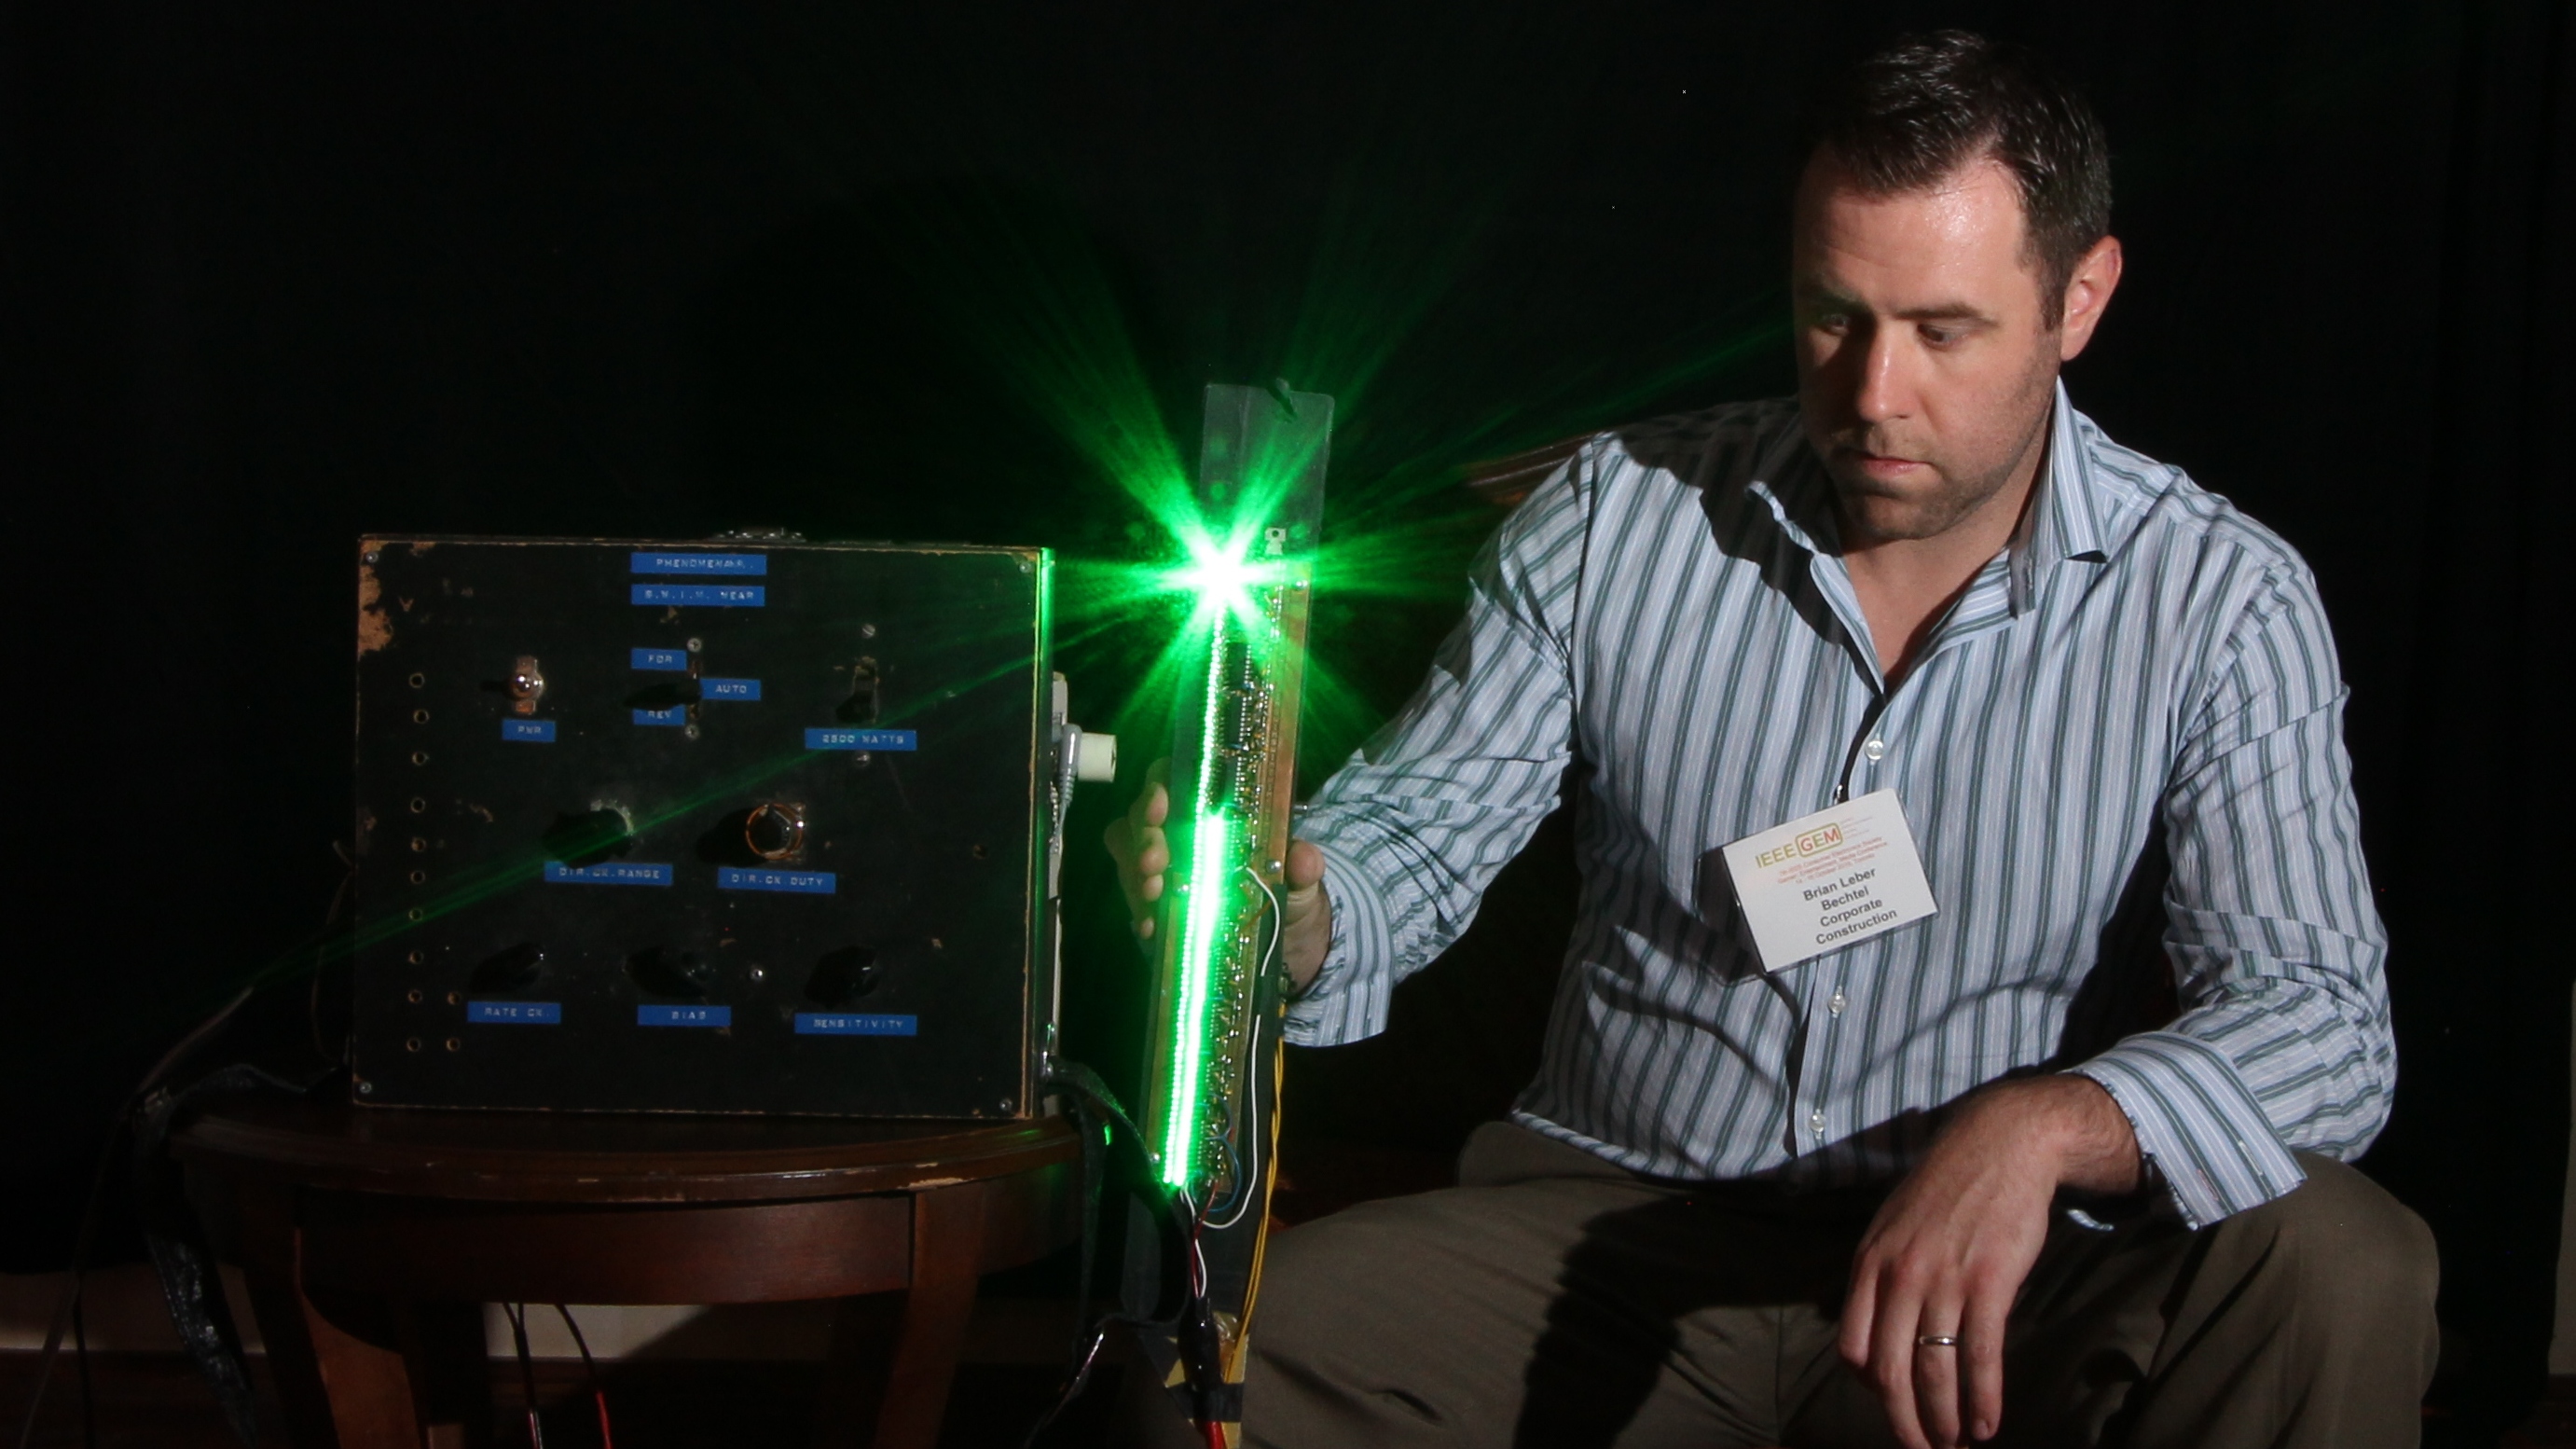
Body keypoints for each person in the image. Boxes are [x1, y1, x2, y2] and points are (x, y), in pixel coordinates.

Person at [1106, 30, 2437, 1449]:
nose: (1873, 393)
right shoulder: (1617, 517)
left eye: (1943, 331)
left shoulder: (2220, 600)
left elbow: (2321, 1019)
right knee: (1203, 1360)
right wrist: (1291, 908)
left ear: (2079, 300)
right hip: (1611, 1237)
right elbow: (1409, 841)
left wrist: (2050, 1127)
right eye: (1832, 316)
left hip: (2000, 1276)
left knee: (2342, 1263)